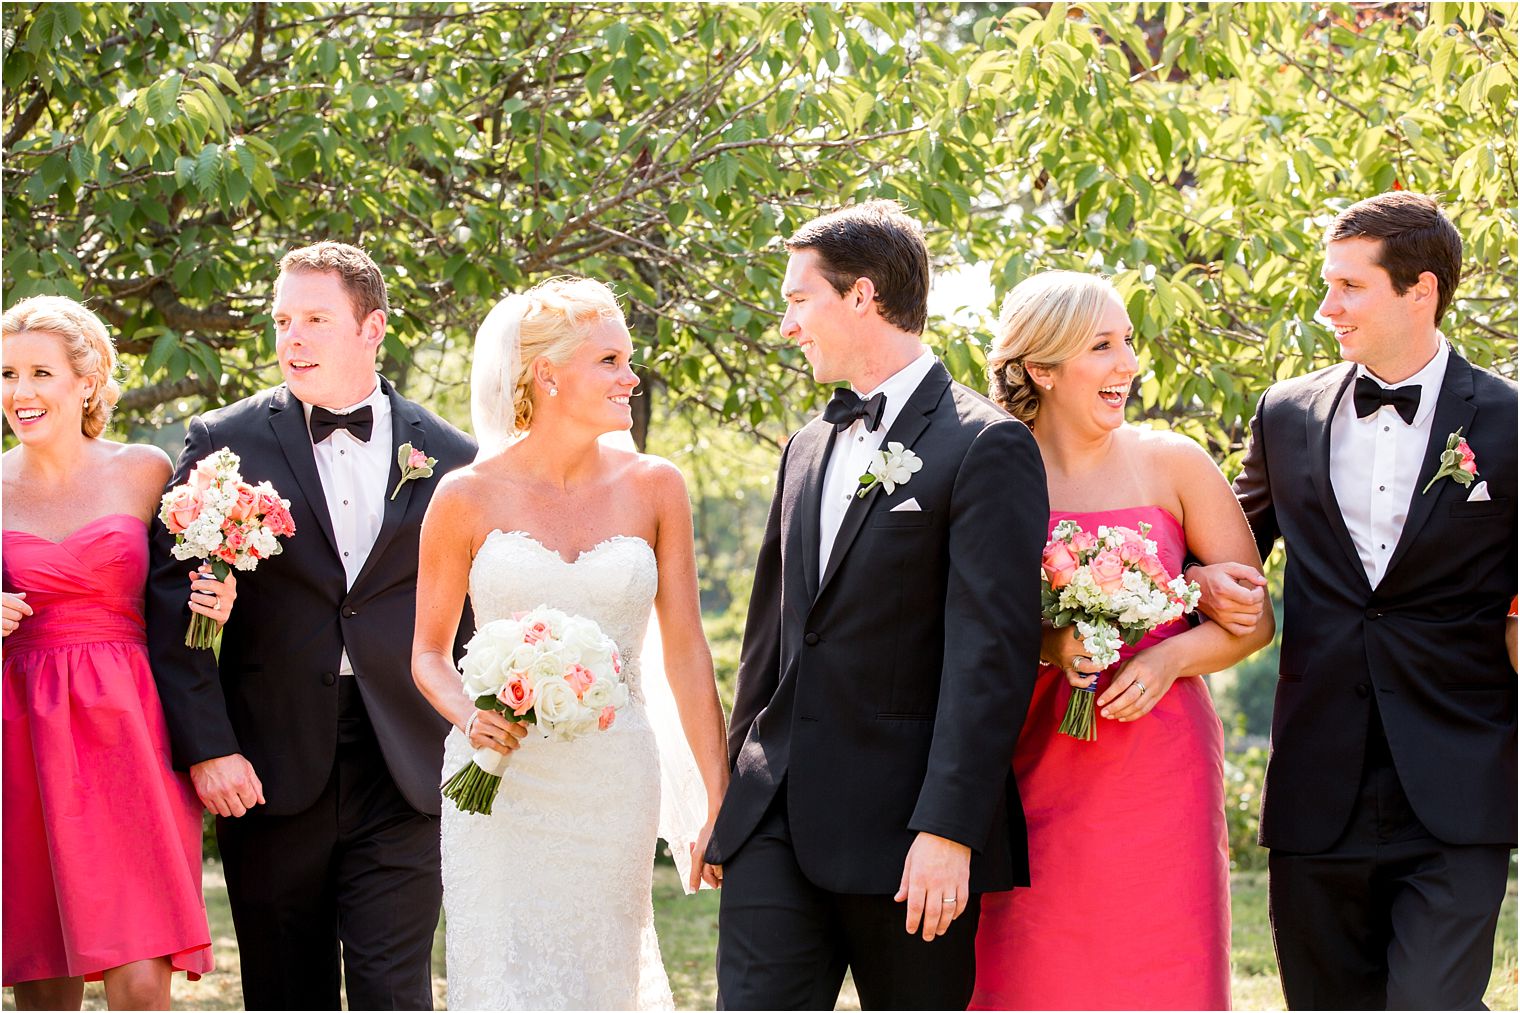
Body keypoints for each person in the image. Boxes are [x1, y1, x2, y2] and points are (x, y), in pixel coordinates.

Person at [704, 201, 1048, 1010]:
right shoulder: (806, 444)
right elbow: (772, 638)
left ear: (861, 295)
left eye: (798, 299)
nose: (787, 323)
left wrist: (950, 828)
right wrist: (734, 800)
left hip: (908, 836)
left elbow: (990, 655)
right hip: (775, 819)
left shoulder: (985, 444)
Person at [1192, 191, 1517, 1009]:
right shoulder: (1285, 412)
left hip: (1459, 778)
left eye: (1349, 286)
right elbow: (1226, 549)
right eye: (1325, 284)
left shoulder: (1512, 424)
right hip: (1317, 782)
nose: (1324, 307)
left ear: (1422, 290)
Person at [145, 243, 477, 1010]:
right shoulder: (223, 440)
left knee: (395, 991)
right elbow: (171, 609)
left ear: (373, 329)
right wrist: (210, 747)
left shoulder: (454, 458)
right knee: (284, 992)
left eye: (316, 319)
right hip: (265, 763)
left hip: (404, 759)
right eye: (282, 320)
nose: (291, 338)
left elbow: (470, 618)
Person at [411, 276, 729, 1010]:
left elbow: (685, 651)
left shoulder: (657, 486)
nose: (631, 376)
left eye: (628, 359)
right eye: (610, 361)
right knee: (503, 980)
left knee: (599, 977)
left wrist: (719, 797)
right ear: (546, 373)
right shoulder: (463, 495)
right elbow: (428, 653)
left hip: (612, 781)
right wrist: (469, 711)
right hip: (499, 777)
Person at [966, 271, 1275, 1010]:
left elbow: (1255, 621)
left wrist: (1169, 656)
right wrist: (1052, 641)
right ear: (1041, 368)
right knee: (1028, 967)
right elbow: (968, 614)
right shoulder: (992, 468)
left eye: (1128, 342)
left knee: (1160, 963)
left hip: (1158, 762)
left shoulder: (1173, 462)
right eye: (1102, 345)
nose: (1127, 364)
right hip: (1030, 754)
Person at [2, 296, 236, 1010]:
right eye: (7, 375)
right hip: (24, 731)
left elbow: (182, 591)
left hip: (132, 727)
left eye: (41, 372)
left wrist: (219, 601)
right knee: (45, 976)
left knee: (140, 976)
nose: (20, 393)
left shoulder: (145, 469)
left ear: (88, 377)